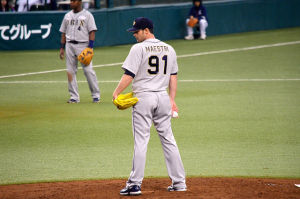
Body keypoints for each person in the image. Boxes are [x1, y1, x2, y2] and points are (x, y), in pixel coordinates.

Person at [113, 17, 186, 196]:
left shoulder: (138, 48)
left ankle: (134, 184)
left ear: (147, 30)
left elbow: (129, 75)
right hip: (162, 98)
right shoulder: (169, 48)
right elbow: (173, 76)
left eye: (137, 32)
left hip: (144, 98)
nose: (135, 35)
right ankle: (179, 183)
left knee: (141, 141)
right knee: (168, 139)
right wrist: (172, 99)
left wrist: (116, 93)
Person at [59, 0, 100, 103]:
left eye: (73, 1)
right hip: (69, 45)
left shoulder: (88, 15)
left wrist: (90, 48)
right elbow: (63, 32)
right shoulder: (67, 16)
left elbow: (92, 31)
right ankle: (74, 97)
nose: (71, 3)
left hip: (83, 46)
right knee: (70, 71)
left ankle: (96, 95)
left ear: (80, 2)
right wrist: (62, 48)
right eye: (71, 1)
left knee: (88, 71)